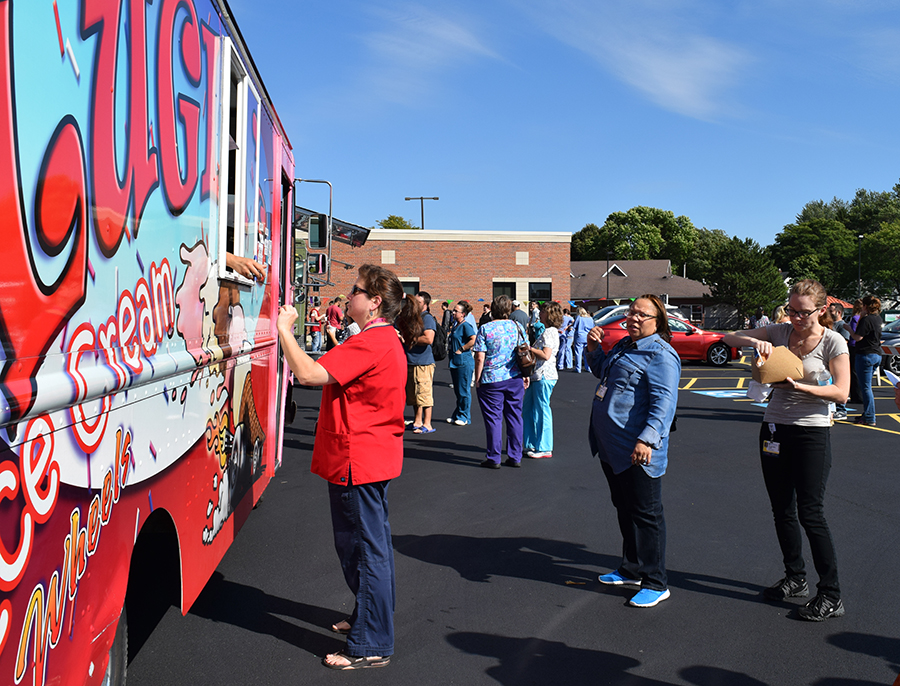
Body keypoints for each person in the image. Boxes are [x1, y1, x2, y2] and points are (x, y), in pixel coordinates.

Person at [275, 264, 421, 670]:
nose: (348, 296)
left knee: (363, 551)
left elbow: (307, 373)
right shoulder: (379, 338)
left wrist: (286, 327)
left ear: (374, 302)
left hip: (359, 459)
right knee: (367, 548)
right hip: (367, 457)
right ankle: (369, 621)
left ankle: (372, 642)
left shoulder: (373, 341)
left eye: (355, 290)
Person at [722, 279, 848, 621]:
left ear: (821, 310)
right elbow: (727, 338)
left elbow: (841, 393)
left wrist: (802, 387)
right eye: (791, 310)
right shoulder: (779, 331)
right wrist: (755, 343)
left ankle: (831, 593)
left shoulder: (832, 341)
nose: (795, 317)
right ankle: (795, 578)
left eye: (803, 312)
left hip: (812, 433)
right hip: (775, 427)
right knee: (782, 509)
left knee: (811, 512)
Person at [587, 294, 680, 608]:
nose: (634, 318)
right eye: (631, 312)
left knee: (647, 514)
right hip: (611, 448)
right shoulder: (624, 345)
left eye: (642, 315)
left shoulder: (661, 355)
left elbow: (664, 405)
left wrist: (646, 440)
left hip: (638, 451)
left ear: (657, 321)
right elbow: (601, 370)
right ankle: (631, 568)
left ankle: (656, 581)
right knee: (624, 508)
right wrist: (593, 349)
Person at [474, 295, 530, 468]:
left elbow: (479, 357)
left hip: (491, 379)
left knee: (493, 419)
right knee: (515, 417)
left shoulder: (485, 328)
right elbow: (525, 350)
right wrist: (526, 374)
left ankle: (494, 457)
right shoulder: (517, 326)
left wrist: (477, 378)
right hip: (514, 377)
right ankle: (515, 455)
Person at [523, 302, 562, 458]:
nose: (541, 313)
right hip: (537, 375)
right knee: (528, 409)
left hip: (544, 375)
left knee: (541, 410)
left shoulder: (549, 332)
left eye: (544, 311)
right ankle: (530, 442)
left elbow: (546, 355)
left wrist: (529, 348)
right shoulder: (548, 331)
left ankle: (545, 447)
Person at [406, 291, 437, 434]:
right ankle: (417, 421)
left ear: (425, 304)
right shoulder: (414, 318)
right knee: (414, 394)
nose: (414, 305)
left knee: (424, 394)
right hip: (412, 361)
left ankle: (427, 423)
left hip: (423, 363)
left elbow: (429, 339)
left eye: (418, 302)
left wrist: (410, 339)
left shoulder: (427, 318)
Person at [849, 295, 883, 427]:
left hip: (865, 354)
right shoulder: (878, 319)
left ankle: (870, 416)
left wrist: (848, 329)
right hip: (876, 354)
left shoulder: (867, 319)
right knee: (868, 386)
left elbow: (857, 337)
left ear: (865, 306)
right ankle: (867, 413)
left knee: (866, 387)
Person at [447, 300, 476, 426]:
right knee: (458, 391)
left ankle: (464, 417)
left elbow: (473, 339)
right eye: (453, 310)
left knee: (464, 391)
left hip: (464, 361)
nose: (453, 312)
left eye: (455, 311)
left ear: (463, 314)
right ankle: (457, 413)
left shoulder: (466, 326)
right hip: (455, 361)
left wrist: (461, 349)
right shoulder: (455, 325)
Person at [828, 302, 850, 420]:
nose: (829, 313)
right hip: (830, 358)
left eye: (831, 311)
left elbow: (844, 342)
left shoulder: (842, 325)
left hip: (839, 359)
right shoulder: (830, 324)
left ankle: (842, 410)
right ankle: (835, 408)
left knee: (839, 382)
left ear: (838, 312)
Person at [847, 299, 864, 403]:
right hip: (859, 347)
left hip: (853, 346)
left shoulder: (854, 318)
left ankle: (856, 396)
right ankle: (859, 395)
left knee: (853, 372)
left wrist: (847, 328)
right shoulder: (863, 318)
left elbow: (853, 332)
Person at [571, 307, 593, 373]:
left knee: (578, 353)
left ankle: (578, 368)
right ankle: (588, 367)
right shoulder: (590, 318)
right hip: (587, 336)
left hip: (579, 336)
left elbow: (574, 326)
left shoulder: (579, 318)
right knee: (586, 353)